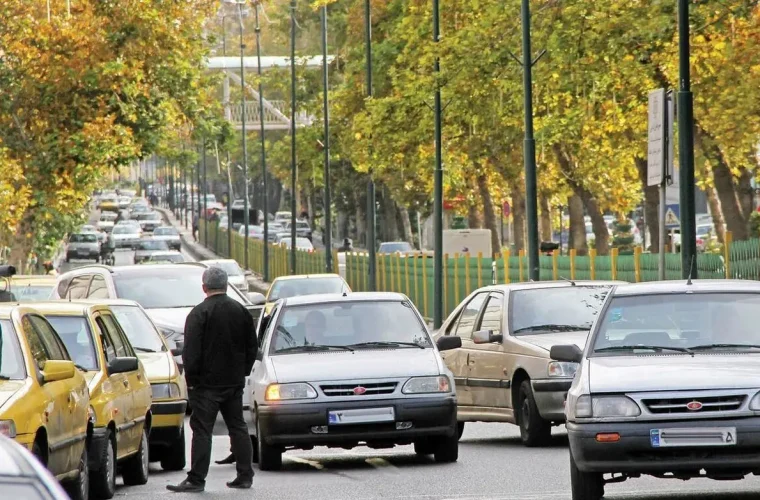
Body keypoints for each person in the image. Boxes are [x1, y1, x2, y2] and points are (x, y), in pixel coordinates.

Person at [167, 267, 256, 493]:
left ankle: (197, 479)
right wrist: (243, 371)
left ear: (204, 287)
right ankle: (245, 475)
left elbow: (192, 352)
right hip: (233, 382)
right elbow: (251, 346)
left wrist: (192, 380)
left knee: (202, 429)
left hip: (205, 385)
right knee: (237, 426)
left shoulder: (198, 314)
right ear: (226, 286)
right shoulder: (241, 311)